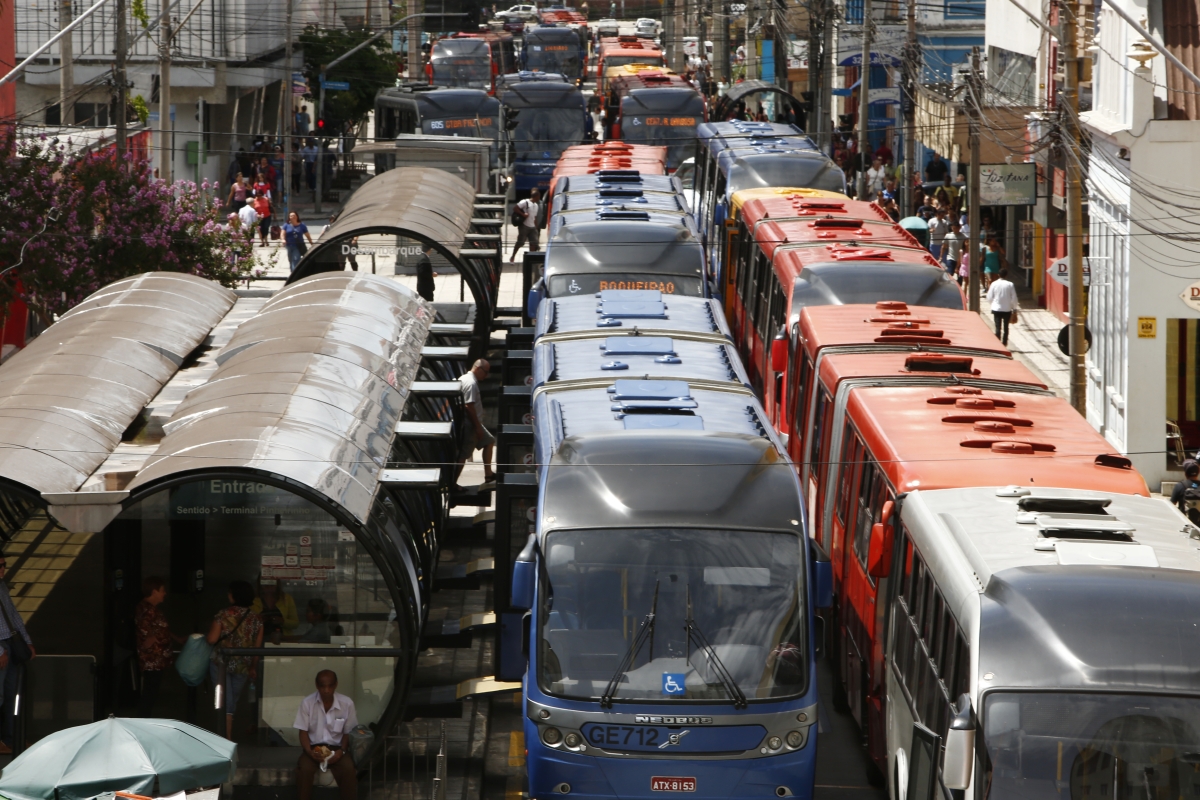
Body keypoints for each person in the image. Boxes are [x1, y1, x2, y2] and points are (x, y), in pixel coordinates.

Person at [206, 580, 264, 740]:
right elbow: (257, 648)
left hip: (221, 664)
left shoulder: (223, 615)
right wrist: (253, 667)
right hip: (243, 666)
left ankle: (227, 745)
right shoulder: (257, 619)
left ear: (234, 595)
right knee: (231, 704)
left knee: (226, 704)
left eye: (230, 592)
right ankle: (227, 741)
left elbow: (211, 639)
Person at [295, 670, 358, 800]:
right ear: (317, 686)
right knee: (304, 770)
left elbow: (348, 732)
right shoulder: (307, 703)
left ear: (336, 685)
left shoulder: (347, 704)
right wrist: (309, 751)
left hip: (337, 748)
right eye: (322, 686)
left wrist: (342, 751)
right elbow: (303, 732)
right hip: (313, 748)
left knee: (348, 769)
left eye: (330, 686)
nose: (326, 690)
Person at [135, 576, 183, 717]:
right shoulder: (148, 611)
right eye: (162, 590)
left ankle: (144, 718)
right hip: (153, 660)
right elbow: (148, 633)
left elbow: (160, 629)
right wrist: (156, 638)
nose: (165, 593)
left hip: (155, 660)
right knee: (150, 692)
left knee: (151, 691)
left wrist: (175, 638)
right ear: (154, 591)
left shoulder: (146, 608)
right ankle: (143, 720)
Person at [0, 555, 33, 753]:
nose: (3, 568)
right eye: (0, 565)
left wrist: (27, 641)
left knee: (12, 694)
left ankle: (10, 739)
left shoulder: (2, 586)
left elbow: (13, 615)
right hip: (2, 645)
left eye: (4, 565)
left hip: (10, 642)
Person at [456, 359, 496, 487]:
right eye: (485, 372)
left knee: (489, 441)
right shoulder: (471, 383)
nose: (487, 375)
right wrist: (478, 427)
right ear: (478, 369)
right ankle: (452, 483)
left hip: (474, 423)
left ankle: (489, 475)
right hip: (471, 425)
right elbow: (469, 407)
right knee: (464, 455)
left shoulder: (464, 378)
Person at [251, 577, 300, 642]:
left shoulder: (286, 599)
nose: (268, 584)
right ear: (260, 583)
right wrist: (259, 621)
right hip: (259, 640)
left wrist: (282, 621)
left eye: (272, 581)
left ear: (277, 583)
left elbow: (295, 623)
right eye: (265, 581)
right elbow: (247, 624)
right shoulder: (253, 600)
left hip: (283, 641)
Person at [986, 268, 1018, 346]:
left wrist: (992, 304)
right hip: (1007, 309)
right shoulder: (1010, 284)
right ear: (1006, 275)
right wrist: (1014, 308)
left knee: (997, 327)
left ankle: (997, 344)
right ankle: (1004, 343)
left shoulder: (994, 284)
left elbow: (989, 297)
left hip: (996, 309)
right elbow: (1014, 298)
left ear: (998, 275)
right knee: (1006, 327)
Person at [510, 189, 542, 262]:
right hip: (524, 226)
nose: (539, 198)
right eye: (539, 196)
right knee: (520, 242)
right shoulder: (525, 202)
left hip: (532, 227)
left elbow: (535, 217)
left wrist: (536, 228)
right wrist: (523, 215)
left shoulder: (536, 205)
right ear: (536, 196)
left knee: (533, 243)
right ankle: (513, 256)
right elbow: (515, 208)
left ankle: (531, 260)